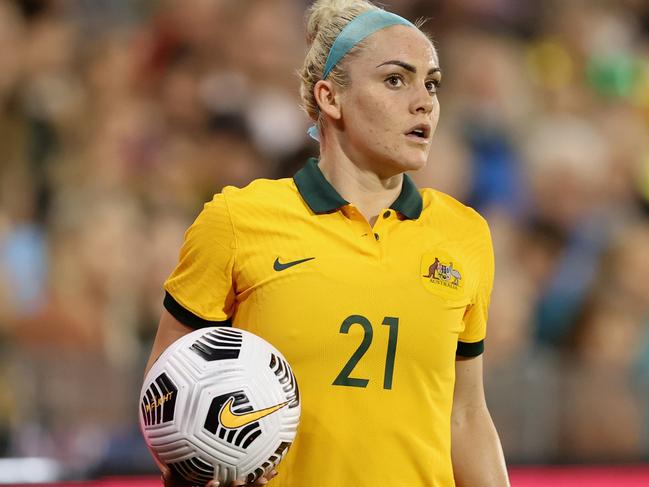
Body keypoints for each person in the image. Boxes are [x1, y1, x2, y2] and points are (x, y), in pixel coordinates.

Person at [144, 0, 510, 485]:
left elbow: (465, 415)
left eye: (432, 83)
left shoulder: (465, 235)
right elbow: (166, 398)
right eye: (396, 80)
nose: (424, 100)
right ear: (330, 98)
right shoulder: (238, 220)